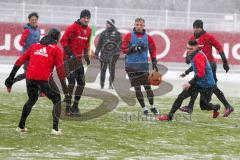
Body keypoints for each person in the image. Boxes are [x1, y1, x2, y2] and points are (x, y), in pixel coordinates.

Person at [5, 28, 68, 135]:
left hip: (30, 78)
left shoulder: (35, 46)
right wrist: (65, 89)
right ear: (57, 38)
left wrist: (11, 78)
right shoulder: (56, 50)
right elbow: (60, 71)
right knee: (57, 99)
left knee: (32, 99)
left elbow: (20, 61)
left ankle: (21, 126)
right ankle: (55, 129)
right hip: (43, 79)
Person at [179, 19, 234, 117]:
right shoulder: (192, 38)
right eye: (194, 28)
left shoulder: (208, 37)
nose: (195, 30)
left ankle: (227, 106)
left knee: (211, 87)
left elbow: (219, 47)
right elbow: (189, 51)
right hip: (200, 66)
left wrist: (225, 62)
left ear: (201, 28)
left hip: (210, 66)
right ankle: (195, 106)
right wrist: (187, 58)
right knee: (201, 88)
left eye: (197, 28)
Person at [158, 40, 220, 121]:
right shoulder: (195, 52)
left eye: (191, 49)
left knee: (204, 106)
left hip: (207, 84)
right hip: (198, 82)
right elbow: (196, 66)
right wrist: (186, 73)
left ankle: (216, 107)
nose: (188, 50)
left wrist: (189, 83)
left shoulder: (198, 56)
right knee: (181, 97)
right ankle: (169, 116)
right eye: (187, 48)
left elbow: (201, 73)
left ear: (196, 48)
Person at [122, 17, 159, 116]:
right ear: (134, 25)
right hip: (131, 67)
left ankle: (152, 106)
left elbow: (153, 50)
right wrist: (135, 48)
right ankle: (144, 108)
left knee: (148, 88)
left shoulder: (148, 37)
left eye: (141, 25)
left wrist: (154, 61)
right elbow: (124, 49)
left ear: (144, 26)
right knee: (137, 89)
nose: (139, 27)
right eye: (137, 25)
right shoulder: (128, 36)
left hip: (143, 66)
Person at [60, 9, 91, 115]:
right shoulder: (72, 27)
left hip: (78, 60)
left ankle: (75, 106)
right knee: (72, 82)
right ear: (80, 17)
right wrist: (71, 54)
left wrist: (86, 57)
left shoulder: (89, 30)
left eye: (88, 18)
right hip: (68, 59)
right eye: (84, 17)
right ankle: (67, 108)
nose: (86, 20)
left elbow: (86, 44)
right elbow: (63, 41)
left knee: (81, 83)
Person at [13, 12, 40, 84]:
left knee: (36, 72)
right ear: (29, 20)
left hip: (35, 55)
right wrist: (29, 48)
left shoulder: (38, 30)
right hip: (27, 55)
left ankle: (39, 90)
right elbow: (21, 42)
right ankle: (12, 81)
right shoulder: (27, 30)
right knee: (28, 73)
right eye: (32, 19)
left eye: (35, 19)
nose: (34, 21)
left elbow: (38, 42)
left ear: (37, 20)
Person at [95, 19, 122, 89]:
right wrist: (97, 52)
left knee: (111, 70)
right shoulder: (103, 33)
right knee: (103, 70)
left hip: (113, 55)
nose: (107, 25)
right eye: (106, 23)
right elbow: (99, 44)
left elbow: (120, 45)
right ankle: (102, 85)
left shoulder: (117, 34)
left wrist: (116, 52)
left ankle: (111, 84)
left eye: (109, 23)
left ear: (112, 24)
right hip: (104, 54)